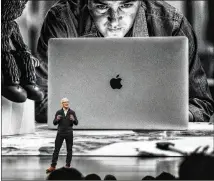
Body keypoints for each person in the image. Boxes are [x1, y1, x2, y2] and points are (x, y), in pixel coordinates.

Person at [36, 0, 214, 123]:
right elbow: (40, 99)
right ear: (87, 4)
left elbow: (201, 103)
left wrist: (172, 116)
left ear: (140, 2)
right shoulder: (62, 19)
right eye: (101, 6)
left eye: (126, 5)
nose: (114, 20)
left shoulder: (171, 24)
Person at [46, 97, 78, 173]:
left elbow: (76, 123)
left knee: (69, 150)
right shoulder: (59, 112)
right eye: (64, 102)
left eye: (67, 102)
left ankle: (68, 165)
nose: (66, 103)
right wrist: (57, 119)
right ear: (62, 104)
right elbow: (54, 123)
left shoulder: (72, 112)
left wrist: (73, 119)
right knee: (56, 150)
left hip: (69, 133)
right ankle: (53, 166)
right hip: (60, 133)